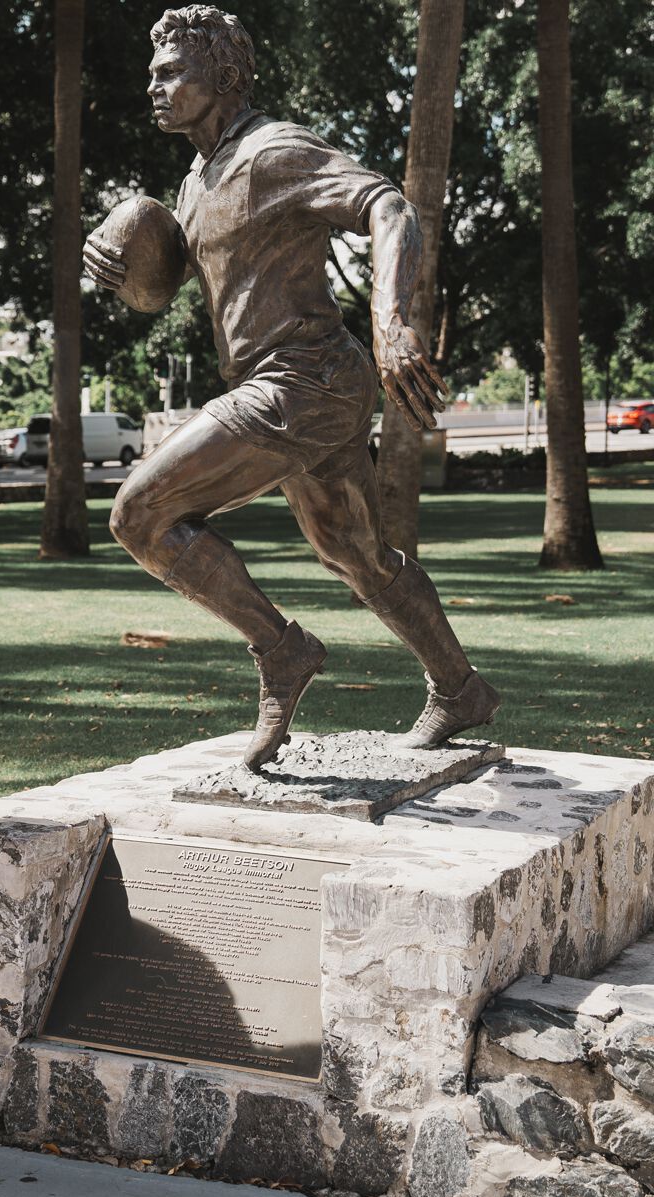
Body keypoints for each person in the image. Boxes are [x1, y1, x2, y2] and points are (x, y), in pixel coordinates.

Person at [84, 6, 500, 769]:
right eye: (152, 74)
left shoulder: (273, 152)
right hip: (301, 386)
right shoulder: (194, 182)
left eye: (172, 72)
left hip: (302, 377)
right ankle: (460, 687)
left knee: (140, 513)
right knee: (359, 557)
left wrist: (392, 320)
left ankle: (281, 651)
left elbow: (387, 205)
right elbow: (163, 284)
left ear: (228, 76)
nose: (155, 86)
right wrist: (120, 260)